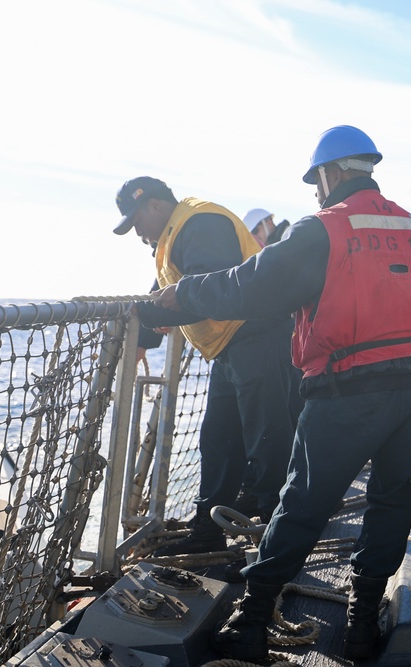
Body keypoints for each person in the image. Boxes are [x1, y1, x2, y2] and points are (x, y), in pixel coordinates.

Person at [154, 125, 411, 662]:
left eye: (317, 182)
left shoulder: (323, 229)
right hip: (409, 388)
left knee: (302, 504)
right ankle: (361, 623)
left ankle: (253, 620)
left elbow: (250, 286)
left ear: (330, 174)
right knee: (389, 499)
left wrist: (182, 295)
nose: (316, 192)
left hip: (345, 389)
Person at [113, 177, 295, 556]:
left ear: (155, 206)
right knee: (218, 440)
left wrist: (151, 311)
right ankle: (207, 531)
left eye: (136, 222)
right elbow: (167, 290)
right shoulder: (172, 237)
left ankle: (276, 542)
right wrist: (146, 339)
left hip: (257, 336)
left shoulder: (201, 223)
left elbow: (209, 290)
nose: (137, 233)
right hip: (232, 346)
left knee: (267, 439)